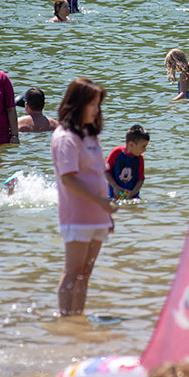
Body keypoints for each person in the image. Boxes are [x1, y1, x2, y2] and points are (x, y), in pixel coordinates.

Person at [51, 78, 115, 316]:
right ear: (78, 104)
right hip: (76, 215)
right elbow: (68, 179)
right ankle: (66, 321)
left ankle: (78, 320)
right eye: (93, 104)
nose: (97, 110)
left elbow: (99, 173)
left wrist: (106, 213)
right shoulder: (65, 137)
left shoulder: (90, 134)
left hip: (98, 215)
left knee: (85, 274)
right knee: (72, 271)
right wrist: (101, 202)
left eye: (98, 105)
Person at [106, 124, 148, 200]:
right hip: (114, 195)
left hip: (132, 196)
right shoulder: (116, 153)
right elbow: (105, 171)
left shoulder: (140, 158)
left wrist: (133, 192)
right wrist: (115, 186)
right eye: (143, 146)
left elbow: (140, 179)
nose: (145, 149)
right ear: (131, 144)